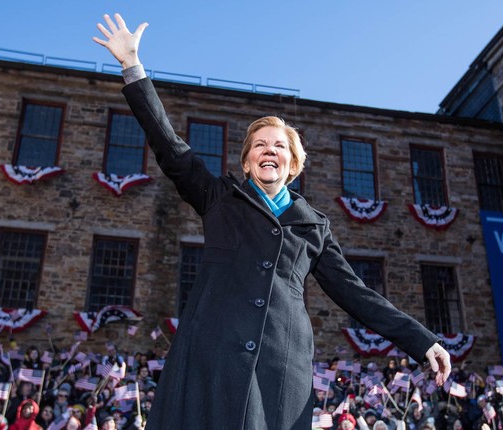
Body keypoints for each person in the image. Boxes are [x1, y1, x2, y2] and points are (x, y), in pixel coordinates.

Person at [93, 12, 451, 430]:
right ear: (247, 162)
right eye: (259, 145)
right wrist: (132, 68)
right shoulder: (218, 199)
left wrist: (422, 340)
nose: (269, 150)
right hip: (213, 362)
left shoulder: (314, 227)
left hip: (279, 372)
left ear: (293, 163)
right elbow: (169, 145)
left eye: (279, 146)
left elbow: (356, 295)